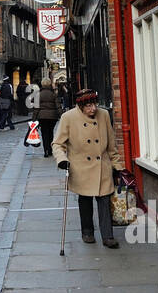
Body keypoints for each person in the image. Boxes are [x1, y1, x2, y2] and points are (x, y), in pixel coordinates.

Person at [51, 88, 122, 247]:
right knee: (85, 201)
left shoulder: (103, 115)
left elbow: (111, 144)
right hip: (81, 167)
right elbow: (57, 143)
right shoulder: (68, 117)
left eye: (94, 104)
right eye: (89, 106)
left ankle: (107, 236)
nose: (93, 109)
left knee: (104, 200)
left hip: (102, 166)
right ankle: (87, 231)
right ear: (81, 106)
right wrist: (62, 160)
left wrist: (117, 165)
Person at [33, 81, 61, 158]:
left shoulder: (38, 94)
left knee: (44, 133)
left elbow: (36, 108)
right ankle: (50, 150)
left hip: (42, 117)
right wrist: (61, 115)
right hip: (52, 117)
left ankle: (46, 151)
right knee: (50, 132)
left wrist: (34, 119)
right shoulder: (53, 94)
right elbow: (58, 106)